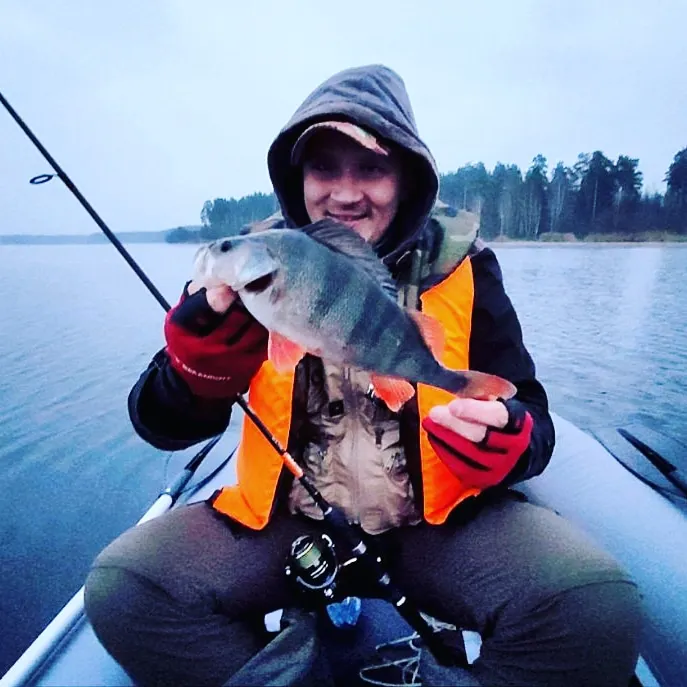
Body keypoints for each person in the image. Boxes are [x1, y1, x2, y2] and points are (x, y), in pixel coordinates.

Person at [84, 64, 641, 686]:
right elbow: (158, 422)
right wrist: (198, 369)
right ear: (298, 179)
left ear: (407, 179)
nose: (346, 194)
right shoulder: (253, 268)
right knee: (126, 589)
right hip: (288, 527)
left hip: (434, 528)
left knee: (596, 606)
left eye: (371, 169)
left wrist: (513, 440)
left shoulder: (465, 266)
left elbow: (531, 413)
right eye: (324, 168)